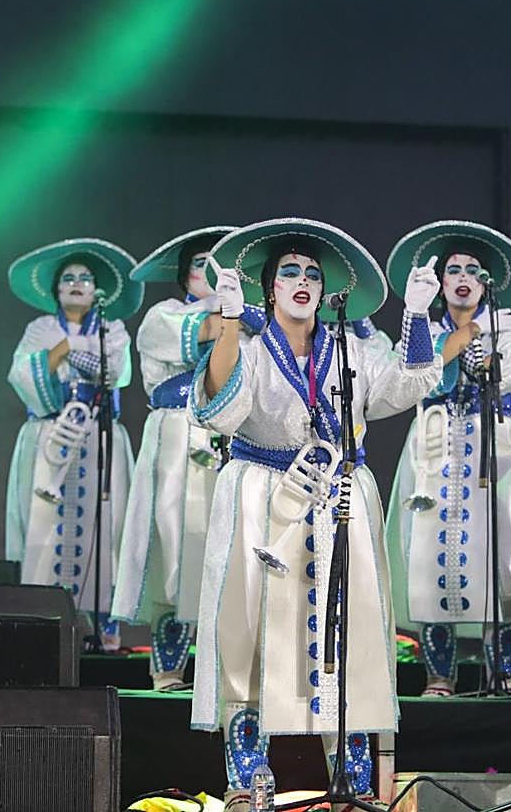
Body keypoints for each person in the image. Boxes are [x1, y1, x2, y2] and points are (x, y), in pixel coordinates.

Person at [188, 218, 441, 806]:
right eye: (288, 273)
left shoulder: (350, 350)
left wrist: (418, 314)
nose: (301, 281)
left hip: (339, 500)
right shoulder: (251, 349)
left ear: (325, 291)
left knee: (346, 634)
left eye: (310, 273)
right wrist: (226, 324)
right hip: (262, 500)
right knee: (249, 635)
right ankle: (248, 781)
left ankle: (353, 783)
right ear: (268, 288)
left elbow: (404, 385)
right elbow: (217, 413)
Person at [383, 220, 511, 696]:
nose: (462, 278)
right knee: (432, 550)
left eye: (473, 271)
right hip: (435, 444)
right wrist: (453, 344)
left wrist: (472, 347)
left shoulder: (509, 328)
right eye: (453, 269)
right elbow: (414, 376)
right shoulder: (423, 328)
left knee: (502, 552)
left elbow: (508, 375)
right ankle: (439, 676)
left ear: (485, 284)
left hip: (494, 442)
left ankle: (506, 674)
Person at [111, 226, 260, 689]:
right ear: (184, 274)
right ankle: (169, 667)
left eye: (222, 265)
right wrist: (238, 312)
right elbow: (211, 329)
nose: (211, 273)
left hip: (231, 437)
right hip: (178, 434)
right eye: (201, 264)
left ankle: (226, 670)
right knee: (173, 546)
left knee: (231, 547)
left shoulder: (250, 321)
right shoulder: (165, 315)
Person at [6, 237, 142, 648]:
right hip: (51, 434)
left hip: (99, 437)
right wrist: (68, 347)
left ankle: (102, 628)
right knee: (45, 524)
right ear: (56, 289)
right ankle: (43, 626)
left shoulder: (112, 328)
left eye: (85, 278)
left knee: (106, 525)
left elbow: (116, 370)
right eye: (68, 278)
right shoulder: (40, 329)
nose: (77, 284)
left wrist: (68, 355)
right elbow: (24, 375)